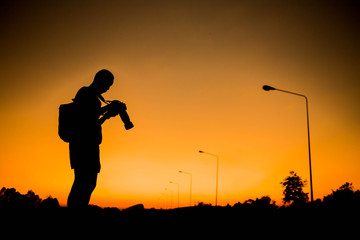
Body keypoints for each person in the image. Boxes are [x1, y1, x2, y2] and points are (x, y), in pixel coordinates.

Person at [67, 69, 120, 209]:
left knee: (88, 182)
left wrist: (107, 114)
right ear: (99, 80)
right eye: (108, 84)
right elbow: (86, 121)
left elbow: (91, 122)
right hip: (83, 145)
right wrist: (109, 109)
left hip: (86, 144)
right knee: (83, 182)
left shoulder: (90, 96)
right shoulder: (86, 93)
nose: (108, 88)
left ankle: (78, 210)